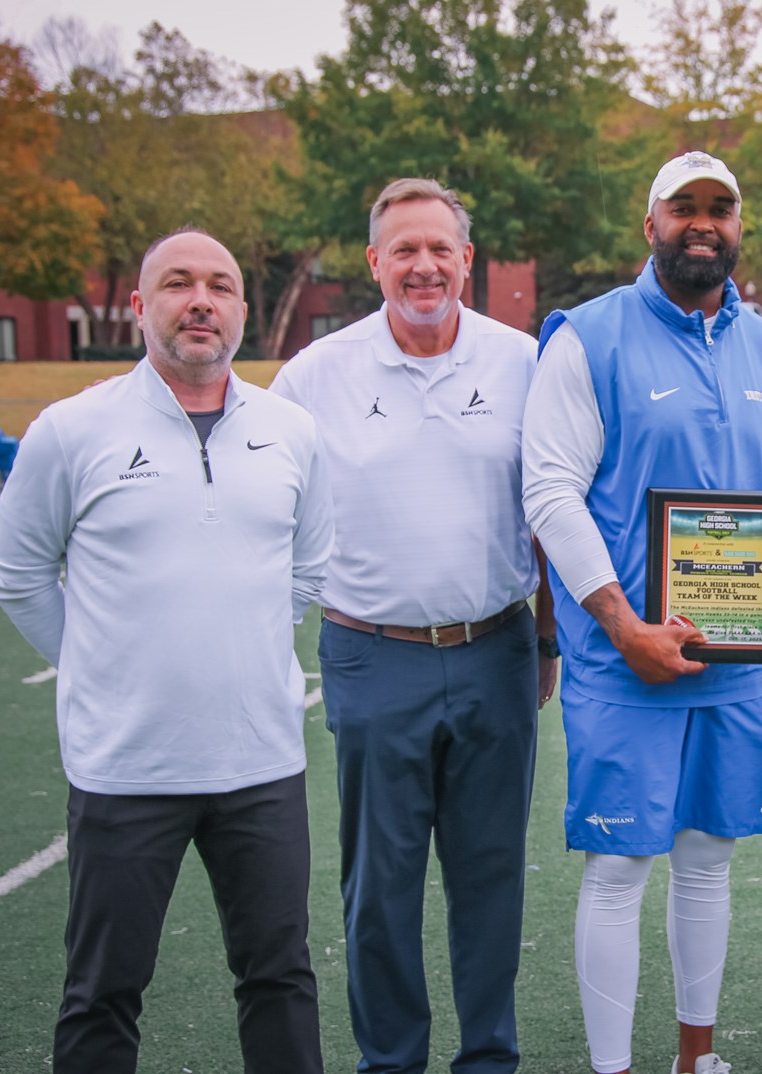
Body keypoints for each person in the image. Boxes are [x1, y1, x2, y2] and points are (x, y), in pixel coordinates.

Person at [0, 228, 334, 1074]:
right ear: (141, 307)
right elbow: (17, 574)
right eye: (178, 284)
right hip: (126, 769)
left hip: (260, 764)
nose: (201, 300)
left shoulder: (292, 430)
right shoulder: (72, 429)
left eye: (220, 285)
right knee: (103, 990)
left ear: (243, 310)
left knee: (280, 978)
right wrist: (105, 667)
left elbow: (308, 570)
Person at [271, 177, 555, 1074]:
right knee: (378, 889)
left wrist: (546, 637)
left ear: (468, 261)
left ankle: (488, 1059)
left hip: (496, 650)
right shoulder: (315, 375)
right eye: (405, 250)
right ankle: (389, 1062)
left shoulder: (525, 362)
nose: (424, 266)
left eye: (441, 249)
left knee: (490, 879)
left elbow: (555, 505)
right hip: (370, 653)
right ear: (374, 264)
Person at [521, 150, 762, 1074]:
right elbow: (551, 493)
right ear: (651, 225)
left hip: (729, 656)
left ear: (740, 226)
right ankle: (612, 1069)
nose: (703, 223)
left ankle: (696, 1059)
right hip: (624, 655)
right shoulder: (587, 336)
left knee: (709, 856)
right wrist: (623, 624)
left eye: (722, 207)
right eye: (684, 208)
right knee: (622, 868)